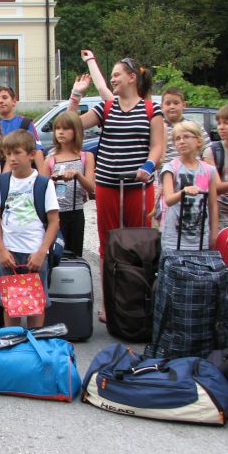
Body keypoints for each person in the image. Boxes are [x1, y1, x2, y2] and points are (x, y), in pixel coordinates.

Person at [69, 53, 164, 322]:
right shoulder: (106, 108)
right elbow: (72, 125)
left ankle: (138, 302)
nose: (112, 79)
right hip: (107, 186)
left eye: (117, 74)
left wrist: (149, 165)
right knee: (107, 244)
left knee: (140, 245)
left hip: (139, 188)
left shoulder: (151, 109)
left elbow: (158, 145)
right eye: (110, 75)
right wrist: (76, 96)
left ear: (132, 78)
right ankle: (110, 304)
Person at [0, 130, 59, 327]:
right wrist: (1, 250)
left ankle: (35, 341)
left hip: (34, 254)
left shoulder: (44, 184)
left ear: (31, 154)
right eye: (8, 153)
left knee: (36, 305)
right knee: (10, 306)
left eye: (17, 152)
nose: (12, 158)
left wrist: (41, 253)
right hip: (8, 253)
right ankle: (13, 341)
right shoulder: (1, 182)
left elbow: (54, 221)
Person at [159, 121, 219, 251]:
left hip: (200, 237)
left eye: (186, 137)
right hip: (173, 238)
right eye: (177, 139)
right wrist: (183, 192)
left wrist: (214, 233)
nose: (181, 141)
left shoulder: (209, 170)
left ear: (199, 141)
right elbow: (168, 200)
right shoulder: (171, 168)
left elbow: (213, 205)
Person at [45, 111, 95, 257]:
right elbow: (41, 188)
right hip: (55, 214)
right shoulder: (50, 158)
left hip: (76, 212)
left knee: (75, 254)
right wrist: (52, 181)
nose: (60, 132)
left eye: (66, 128)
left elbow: (91, 187)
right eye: (57, 128)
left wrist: (78, 175)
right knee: (55, 254)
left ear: (76, 131)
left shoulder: (86, 156)